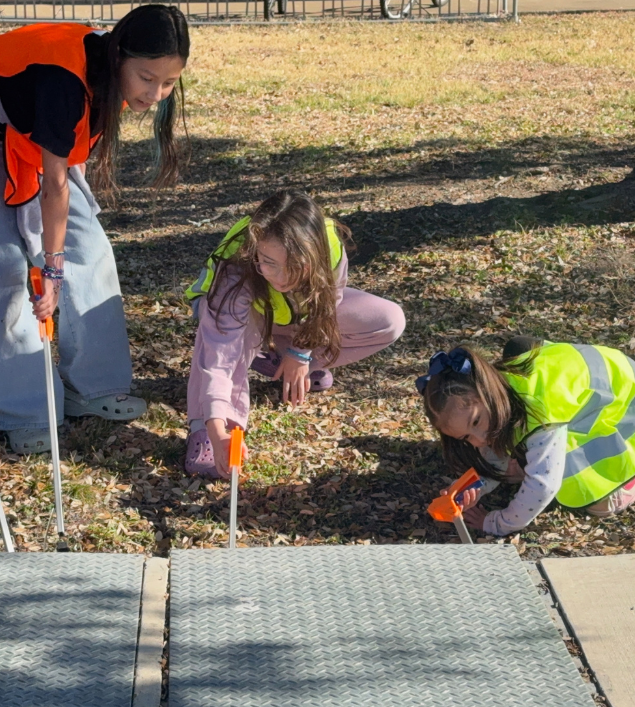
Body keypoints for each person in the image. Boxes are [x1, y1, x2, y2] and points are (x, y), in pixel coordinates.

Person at [0, 4, 190, 455]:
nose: (155, 94)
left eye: (168, 82)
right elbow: (54, 185)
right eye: (146, 78)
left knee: (90, 249)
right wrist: (51, 271)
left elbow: (58, 179)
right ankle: (27, 410)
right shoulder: (65, 82)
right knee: (2, 264)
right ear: (118, 57)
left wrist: (60, 259)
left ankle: (94, 388)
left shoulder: (106, 73)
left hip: (33, 132)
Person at [184, 191, 406, 478]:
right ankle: (202, 425)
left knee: (389, 319)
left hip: (289, 317)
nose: (280, 278)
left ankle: (283, 364)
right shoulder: (238, 264)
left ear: (314, 253)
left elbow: (328, 304)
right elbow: (219, 353)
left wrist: (302, 353)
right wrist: (216, 427)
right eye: (268, 262)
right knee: (227, 346)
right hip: (238, 313)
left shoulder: (330, 247)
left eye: (295, 266)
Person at [418, 338, 635, 536]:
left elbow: (543, 485)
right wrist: (471, 487)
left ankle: (627, 484)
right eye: (466, 437)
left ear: (486, 391)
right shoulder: (497, 389)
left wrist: (497, 523)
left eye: (475, 422)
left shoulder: (539, 411)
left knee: (598, 503)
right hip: (606, 381)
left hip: (626, 409)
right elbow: (495, 456)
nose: (480, 440)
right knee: (528, 456)